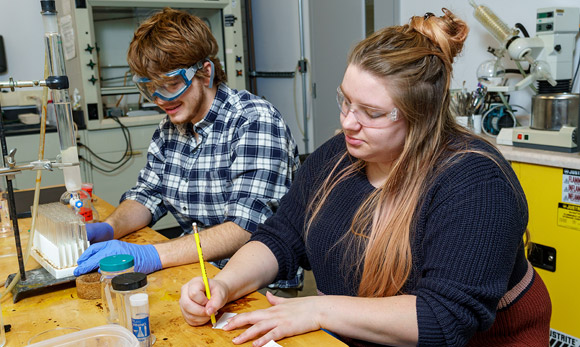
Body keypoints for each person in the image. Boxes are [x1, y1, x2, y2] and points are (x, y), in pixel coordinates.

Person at [178, 8, 552, 347]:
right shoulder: (339, 154)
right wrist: (224, 285)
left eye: (371, 112)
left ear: (420, 114)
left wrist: (319, 311)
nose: (347, 122)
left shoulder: (476, 184)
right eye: (345, 101)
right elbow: (281, 237)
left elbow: (443, 320)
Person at [73, 8, 302, 294]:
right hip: (196, 268)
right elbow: (147, 196)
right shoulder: (169, 129)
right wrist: (108, 228)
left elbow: (246, 226)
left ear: (205, 72)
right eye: (151, 88)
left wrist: (152, 255)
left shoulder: (254, 121)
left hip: (258, 285)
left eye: (170, 85)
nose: (160, 100)